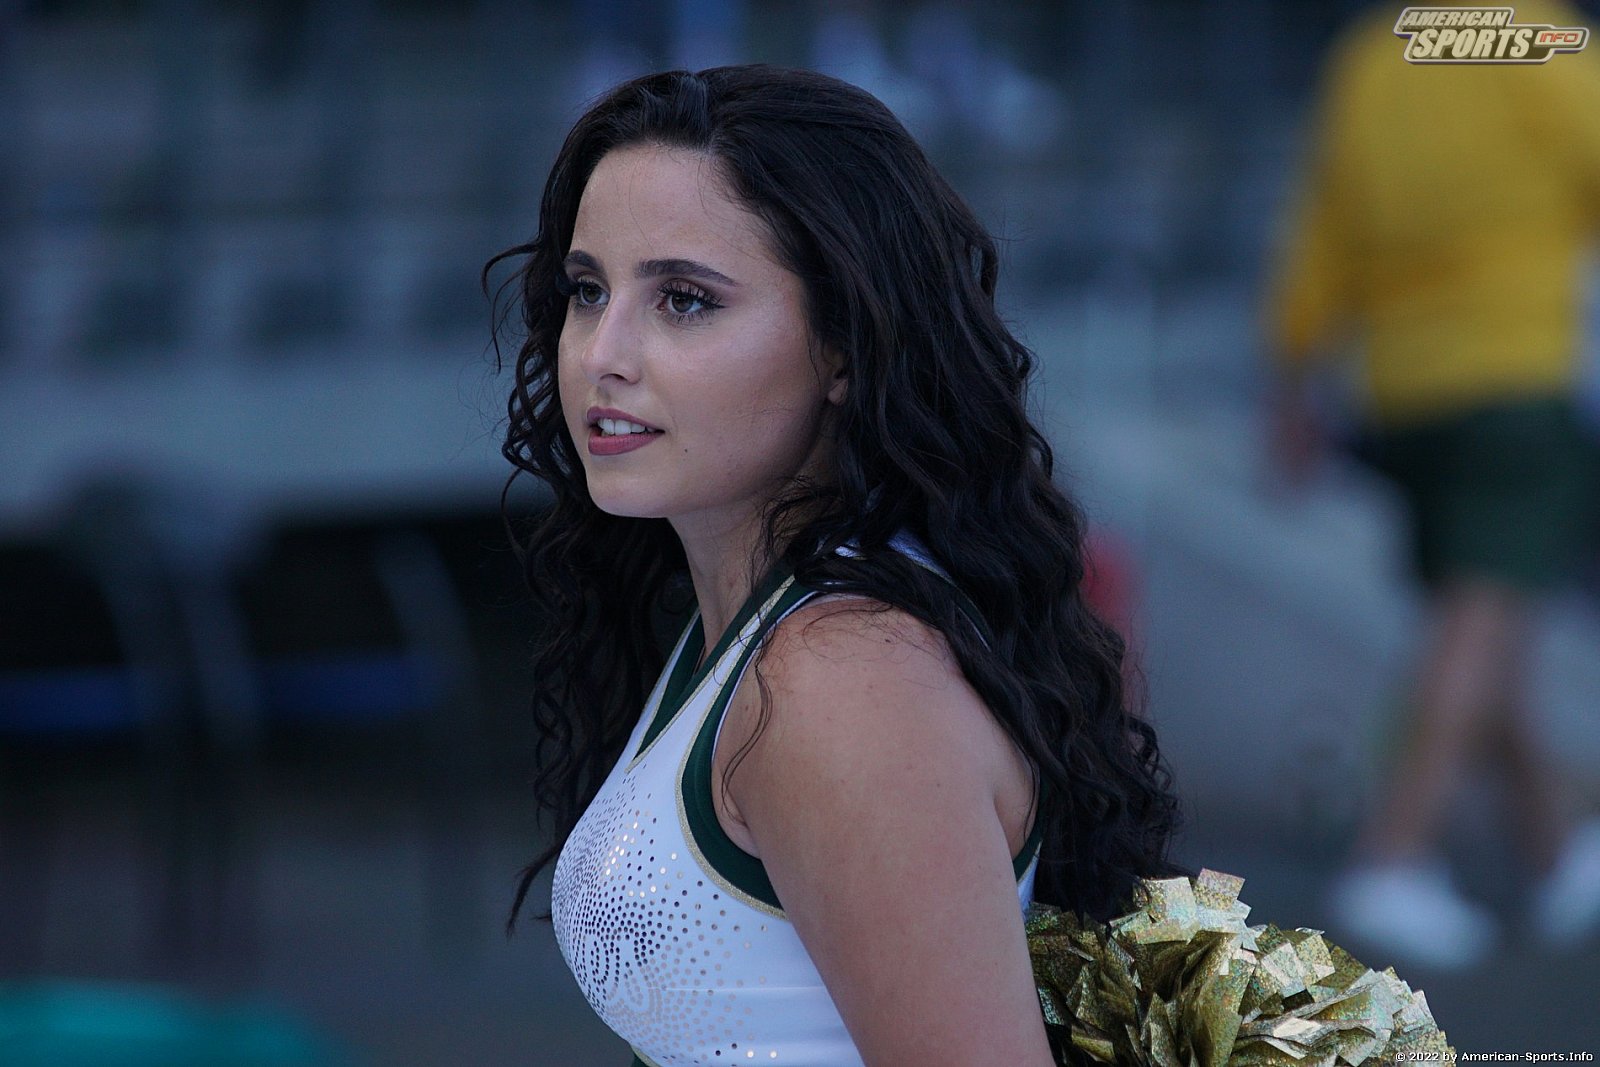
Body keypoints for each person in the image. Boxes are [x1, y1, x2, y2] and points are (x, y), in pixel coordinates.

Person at [485, 65, 1183, 1065]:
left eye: (683, 299)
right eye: (587, 290)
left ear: (846, 347)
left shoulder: (839, 681)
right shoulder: (755, 622)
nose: (602, 352)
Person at [1264, 0, 1600, 970]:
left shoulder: (1374, 59)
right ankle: (1393, 853)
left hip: (1400, 389)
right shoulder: (1539, 41)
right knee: (1480, 617)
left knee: (1478, 625)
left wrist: (1291, 373)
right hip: (1517, 368)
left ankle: (1556, 850)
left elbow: (1322, 229)